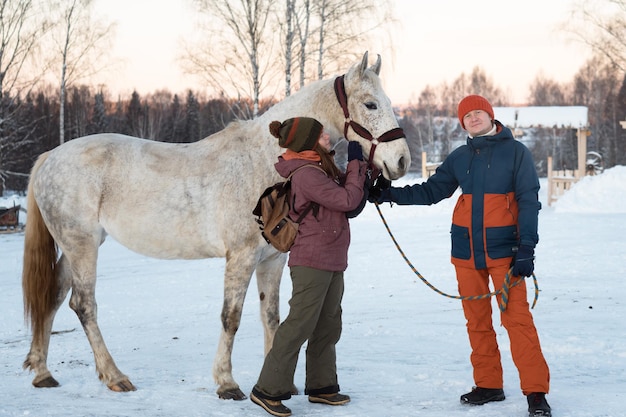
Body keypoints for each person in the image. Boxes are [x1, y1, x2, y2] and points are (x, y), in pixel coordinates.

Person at [369, 95, 551, 417]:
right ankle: (489, 384)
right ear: (462, 122)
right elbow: (430, 191)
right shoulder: (460, 157)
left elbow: (528, 201)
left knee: (517, 322)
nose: (473, 119)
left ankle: (536, 392)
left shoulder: (516, 153)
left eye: (478, 113)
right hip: (466, 254)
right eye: (467, 116)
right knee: (477, 322)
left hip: (505, 255)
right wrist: (388, 194)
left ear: (490, 116)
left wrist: (526, 248)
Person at [250, 117, 368, 417]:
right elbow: (347, 199)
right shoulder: (306, 175)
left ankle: (322, 386)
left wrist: (368, 166)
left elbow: (350, 193)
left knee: (328, 323)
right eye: (321, 134)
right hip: (312, 260)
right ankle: (267, 389)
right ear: (308, 142)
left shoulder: (319, 168)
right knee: (300, 323)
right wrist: (355, 164)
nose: (328, 136)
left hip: (332, 257)